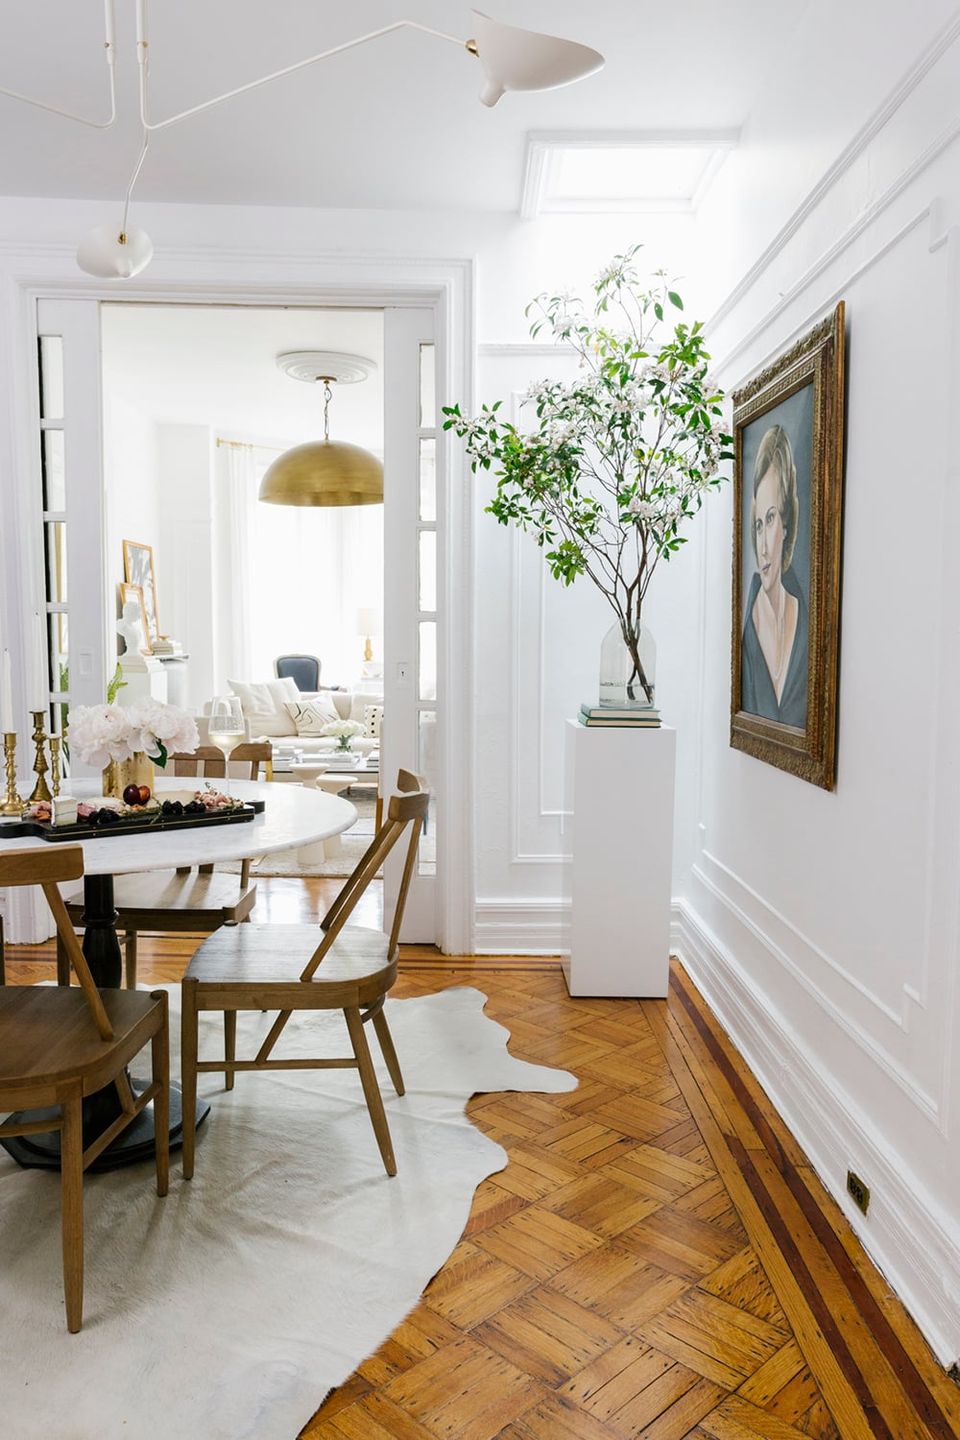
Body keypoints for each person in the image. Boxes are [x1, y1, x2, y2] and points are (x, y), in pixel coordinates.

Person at [740, 424, 808, 728]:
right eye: (757, 525)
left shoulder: (806, 622)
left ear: (786, 524)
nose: (763, 547)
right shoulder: (747, 632)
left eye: (770, 520)